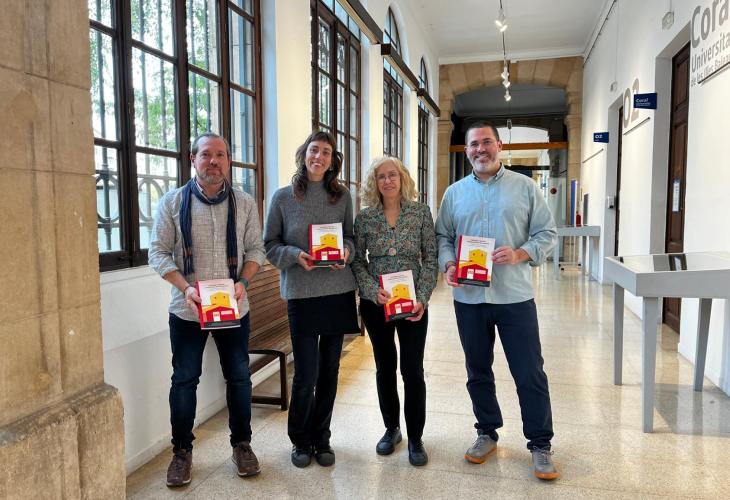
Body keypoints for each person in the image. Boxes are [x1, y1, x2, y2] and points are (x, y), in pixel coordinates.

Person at [435, 122, 559, 480]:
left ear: (499, 146)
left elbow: (547, 233)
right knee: (477, 369)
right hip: (469, 298)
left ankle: (540, 443)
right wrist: (449, 263)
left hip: (514, 297)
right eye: (474, 144)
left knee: (529, 371)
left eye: (486, 142)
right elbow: (443, 237)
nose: (480, 149)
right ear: (467, 150)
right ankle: (487, 432)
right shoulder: (454, 194)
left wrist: (521, 253)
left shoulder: (526, 188)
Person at [148, 133, 266, 487]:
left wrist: (243, 282)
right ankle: (181, 452)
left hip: (234, 308)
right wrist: (186, 289)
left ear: (228, 160)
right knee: (184, 380)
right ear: (192, 159)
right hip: (188, 311)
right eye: (206, 154)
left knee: (239, 377)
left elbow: (256, 249)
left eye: (220, 155)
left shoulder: (244, 203)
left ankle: (242, 445)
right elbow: (158, 252)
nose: (213, 161)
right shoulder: (172, 202)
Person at [264, 130, 360, 468]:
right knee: (306, 373)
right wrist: (295, 255)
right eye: (314, 150)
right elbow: (270, 245)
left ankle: (322, 437)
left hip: (337, 291)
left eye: (326, 152)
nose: (319, 157)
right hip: (301, 294)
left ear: (333, 161)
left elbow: (350, 237)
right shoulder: (282, 198)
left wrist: (346, 251)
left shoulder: (342, 196)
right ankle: (300, 440)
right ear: (304, 154)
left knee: (330, 371)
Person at [352, 157, 437, 466]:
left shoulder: (421, 213)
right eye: (381, 177)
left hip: (412, 304)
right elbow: (357, 260)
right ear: (374, 183)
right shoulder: (365, 218)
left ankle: (416, 437)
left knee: (412, 370)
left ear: (402, 178)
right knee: (384, 367)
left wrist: (422, 298)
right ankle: (392, 429)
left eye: (392, 175)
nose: (387, 181)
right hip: (377, 304)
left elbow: (431, 259)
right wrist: (371, 290)